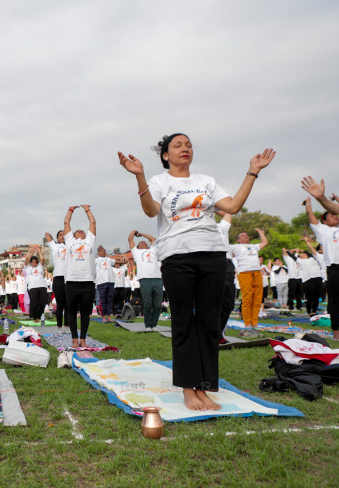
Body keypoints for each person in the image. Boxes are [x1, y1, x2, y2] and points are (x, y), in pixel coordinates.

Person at [119, 133, 275, 411]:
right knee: (183, 321)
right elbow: (150, 210)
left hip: (213, 254)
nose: (185, 148)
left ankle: (205, 386)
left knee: (209, 322)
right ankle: (188, 389)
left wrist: (253, 171)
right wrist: (140, 176)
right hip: (178, 256)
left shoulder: (206, 181)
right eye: (178, 145)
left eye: (188, 144)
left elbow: (233, 206)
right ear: (165, 155)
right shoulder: (159, 181)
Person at [302, 190, 339, 340]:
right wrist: (309, 204)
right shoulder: (323, 230)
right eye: (332, 215)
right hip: (335, 269)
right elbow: (311, 217)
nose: (336, 216)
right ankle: (336, 332)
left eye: (336, 214)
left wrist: (338, 201)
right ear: (324, 220)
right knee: (335, 301)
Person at [63, 204, 97, 348]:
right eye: (77, 231)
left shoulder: (89, 241)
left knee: (85, 312)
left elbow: (93, 223)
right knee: (71, 311)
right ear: (73, 235)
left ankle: (83, 338)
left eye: (82, 231)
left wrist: (87, 210)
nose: (80, 232)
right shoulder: (70, 241)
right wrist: (70, 210)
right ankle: (74, 339)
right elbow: (66, 223)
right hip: (71, 281)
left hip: (88, 281)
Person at [230, 228, 268, 327]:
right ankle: (247, 323)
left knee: (257, 299)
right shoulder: (235, 247)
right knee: (247, 299)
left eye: (246, 235)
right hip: (245, 274)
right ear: (238, 240)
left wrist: (260, 232)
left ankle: (254, 323)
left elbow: (265, 242)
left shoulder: (253, 246)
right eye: (243, 235)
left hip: (257, 273)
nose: (246, 236)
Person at [128, 230, 163, 330]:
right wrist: (134, 232)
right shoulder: (136, 252)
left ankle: (154, 325)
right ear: (138, 247)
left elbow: (153, 239)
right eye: (140, 243)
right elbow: (130, 239)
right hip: (145, 279)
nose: (143, 242)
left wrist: (142, 234)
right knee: (148, 304)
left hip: (157, 279)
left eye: (144, 242)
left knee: (157, 305)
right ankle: (148, 325)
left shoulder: (153, 250)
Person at [214, 211, 236, 336]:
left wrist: (213, 207)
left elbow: (228, 212)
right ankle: (213, 334)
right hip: (211, 262)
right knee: (212, 301)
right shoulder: (197, 226)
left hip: (227, 264)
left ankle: (218, 332)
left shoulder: (221, 227)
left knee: (228, 303)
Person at [95, 245, 126, 321]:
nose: (104, 252)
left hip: (111, 282)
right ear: (98, 252)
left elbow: (119, 261)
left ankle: (108, 316)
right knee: (103, 300)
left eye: (104, 250)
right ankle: (103, 316)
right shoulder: (96, 260)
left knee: (109, 300)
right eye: (102, 251)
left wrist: (124, 260)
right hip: (101, 282)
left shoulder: (109, 260)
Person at [45, 231, 68, 329]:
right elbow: (47, 234)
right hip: (58, 278)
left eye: (64, 235)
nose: (62, 236)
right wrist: (54, 241)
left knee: (68, 304)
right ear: (57, 238)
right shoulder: (54, 246)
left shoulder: (71, 246)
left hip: (69, 278)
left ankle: (67, 326)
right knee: (60, 304)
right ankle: (59, 326)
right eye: (60, 235)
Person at [23, 246, 47, 322]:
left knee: (42, 303)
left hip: (42, 286)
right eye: (33, 262)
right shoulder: (28, 268)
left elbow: (42, 259)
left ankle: (39, 317)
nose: (34, 264)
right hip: (33, 287)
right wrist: (29, 252)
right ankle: (35, 317)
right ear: (30, 262)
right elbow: (27, 259)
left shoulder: (40, 267)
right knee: (34, 304)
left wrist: (39, 252)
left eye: (36, 262)